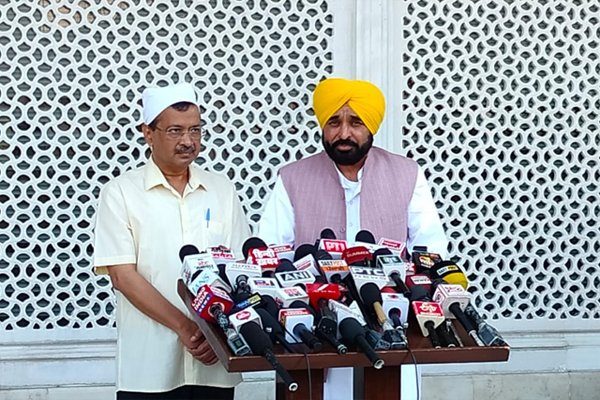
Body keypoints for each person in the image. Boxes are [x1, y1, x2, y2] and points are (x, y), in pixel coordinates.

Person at [258, 78, 448, 400]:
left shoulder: (407, 174)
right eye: (334, 122)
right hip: (316, 331)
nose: (343, 133)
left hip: (392, 327)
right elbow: (270, 253)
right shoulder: (292, 177)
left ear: (371, 126)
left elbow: (430, 250)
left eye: (355, 122)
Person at [93, 83, 251, 400]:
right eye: (175, 131)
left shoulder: (222, 190)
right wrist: (185, 327)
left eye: (195, 130)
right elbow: (122, 276)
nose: (188, 141)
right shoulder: (121, 193)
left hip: (215, 361)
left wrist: (216, 334)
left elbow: (239, 269)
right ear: (148, 133)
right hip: (149, 368)